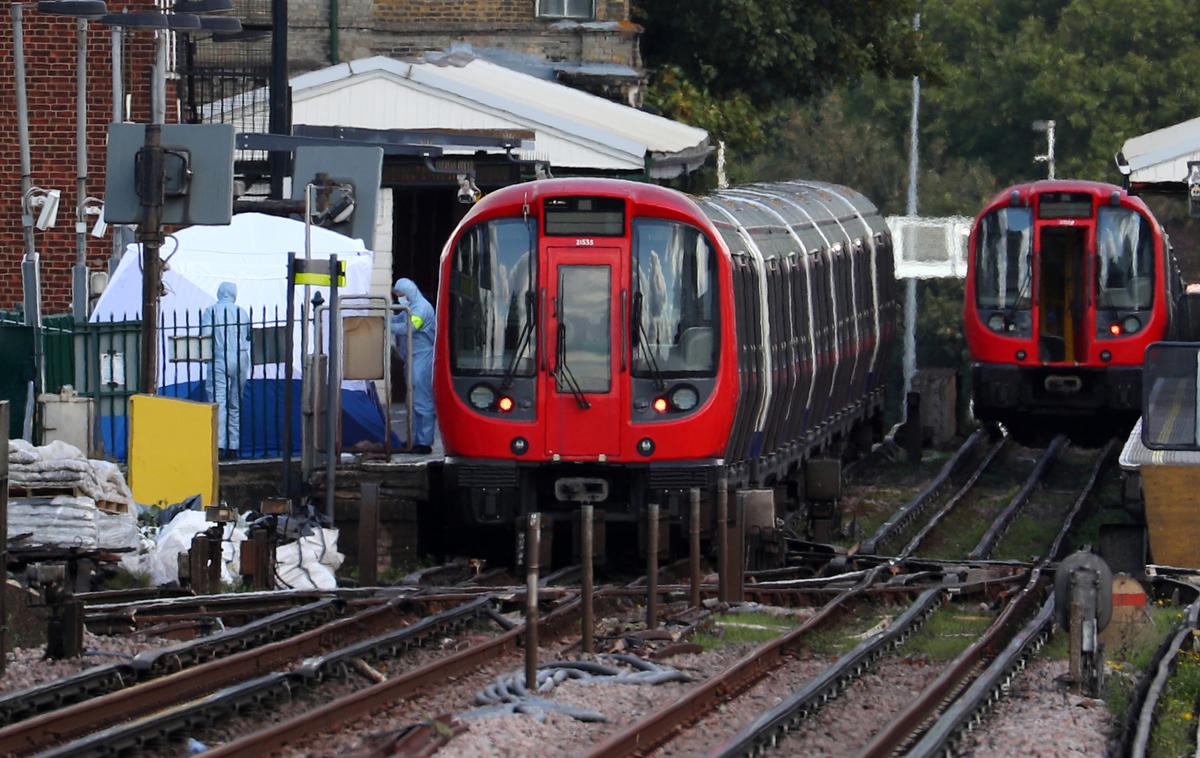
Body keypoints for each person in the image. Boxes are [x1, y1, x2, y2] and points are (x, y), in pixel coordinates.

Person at [201, 282, 252, 460]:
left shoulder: (211, 312)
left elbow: (205, 335)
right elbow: (248, 336)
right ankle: (234, 446)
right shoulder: (242, 312)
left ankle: (220, 445)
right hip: (240, 357)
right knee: (235, 403)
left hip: (218, 357)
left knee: (219, 402)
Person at [391, 278, 437, 454]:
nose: (399, 299)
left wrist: (386, 325)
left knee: (422, 401)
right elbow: (399, 319)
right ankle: (414, 439)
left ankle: (424, 442)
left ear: (409, 292)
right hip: (413, 358)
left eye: (400, 295)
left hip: (422, 359)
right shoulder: (411, 305)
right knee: (412, 401)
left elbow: (409, 327)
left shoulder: (422, 309)